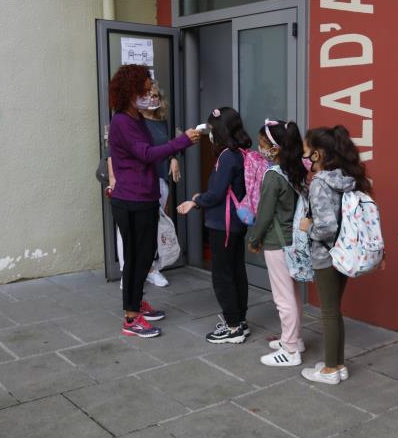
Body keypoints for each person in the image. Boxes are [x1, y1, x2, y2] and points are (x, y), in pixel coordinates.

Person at [107, 64, 199, 338]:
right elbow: (146, 154)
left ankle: (136, 304)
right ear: (130, 91)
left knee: (145, 255)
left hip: (143, 197)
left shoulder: (136, 119)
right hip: (131, 200)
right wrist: (181, 142)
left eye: (150, 90)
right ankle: (131, 318)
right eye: (145, 91)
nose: (149, 95)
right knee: (137, 257)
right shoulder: (122, 121)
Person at [298, 125, 371, 384]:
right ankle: (337, 363)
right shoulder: (346, 178)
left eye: (306, 151)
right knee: (334, 310)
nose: (303, 155)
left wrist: (309, 228)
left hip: (326, 254)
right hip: (346, 252)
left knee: (329, 311)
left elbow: (327, 227)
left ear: (317, 154)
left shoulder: (319, 183)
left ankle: (330, 369)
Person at [178, 107, 251, 344]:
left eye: (211, 128)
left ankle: (232, 327)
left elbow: (217, 194)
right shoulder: (241, 153)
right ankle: (239, 320)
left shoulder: (227, 157)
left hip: (224, 224)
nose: (209, 133)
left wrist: (196, 201)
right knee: (237, 271)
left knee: (223, 275)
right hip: (237, 222)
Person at [248, 119, 308, 366]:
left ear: (275, 148)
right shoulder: (296, 170)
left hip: (278, 242)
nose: (260, 148)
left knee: (283, 299)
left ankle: (291, 350)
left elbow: (264, 214)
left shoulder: (273, 176)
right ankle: (293, 338)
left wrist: (255, 239)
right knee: (292, 295)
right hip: (293, 240)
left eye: (262, 144)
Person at [112, 82, 181, 288]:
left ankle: (150, 268)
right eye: (148, 95)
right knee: (128, 231)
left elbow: (166, 148)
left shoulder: (163, 123)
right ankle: (128, 271)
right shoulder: (129, 122)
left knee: (152, 228)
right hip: (133, 186)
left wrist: (174, 158)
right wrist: (115, 180)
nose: (152, 99)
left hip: (158, 181)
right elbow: (113, 155)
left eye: (155, 95)